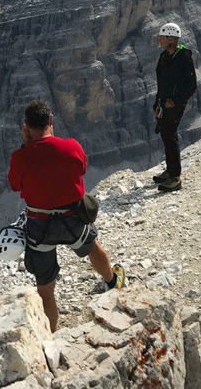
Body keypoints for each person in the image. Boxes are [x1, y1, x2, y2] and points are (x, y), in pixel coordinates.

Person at [8, 100, 125, 331]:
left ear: (26, 127)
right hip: (72, 221)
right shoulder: (71, 147)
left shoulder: (20, 157)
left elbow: (14, 185)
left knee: (46, 291)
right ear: (51, 121)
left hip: (39, 227)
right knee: (92, 246)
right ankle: (112, 281)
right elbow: (81, 169)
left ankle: (52, 338)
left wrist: (26, 146)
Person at [153, 22, 198, 191]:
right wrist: (157, 102)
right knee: (165, 134)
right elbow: (162, 82)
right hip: (164, 103)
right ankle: (170, 170)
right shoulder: (164, 56)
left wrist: (176, 101)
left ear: (171, 38)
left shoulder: (184, 57)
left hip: (175, 105)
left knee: (170, 135)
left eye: (162, 37)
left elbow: (191, 84)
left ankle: (175, 178)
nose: (159, 40)